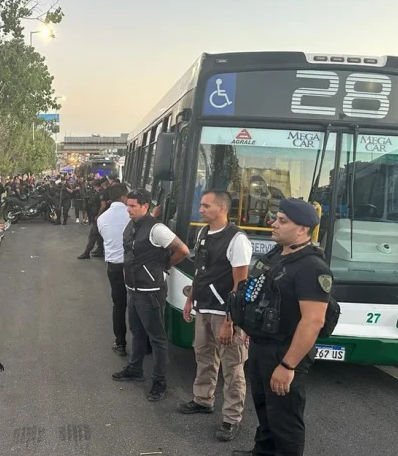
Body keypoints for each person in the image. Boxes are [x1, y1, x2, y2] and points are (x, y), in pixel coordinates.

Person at [230, 198, 332, 456]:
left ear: (303, 229)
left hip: (285, 351)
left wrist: (288, 366)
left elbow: (313, 320)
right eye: (276, 218)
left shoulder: (311, 267)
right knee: (265, 410)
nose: (273, 224)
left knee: (285, 420)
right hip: (262, 346)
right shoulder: (278, 254)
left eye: (282, 221)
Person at [178, 190, 252, 442]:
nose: (200, 209)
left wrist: (230, 322)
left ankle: (232, 419)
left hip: (225, 313)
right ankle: (203, 400)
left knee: (233, 366)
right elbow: (200, 270)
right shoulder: (203, 233)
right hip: (204, 307)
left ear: (221, 208)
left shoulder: (237, 240)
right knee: (204, 357)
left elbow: (239, 285)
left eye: (205, 205)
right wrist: (190, 300)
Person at [112, 189, 190, 401]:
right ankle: (135, 369)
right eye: (127, 205)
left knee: (157, 338)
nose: (128, 209)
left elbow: (183, 250)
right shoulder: (134, 224)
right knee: (137, 332)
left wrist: (164, 266)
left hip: (150, 292)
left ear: (145, 206)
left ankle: (159, 381)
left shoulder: (157, 229)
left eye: (133, 206)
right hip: (133, 289)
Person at [97, 183, 131, 355]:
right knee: (138, 304)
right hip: (133, 266)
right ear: (125, 197)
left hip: (114, 267)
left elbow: (105, 238)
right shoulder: (132, 214)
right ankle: (145, 345)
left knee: (119, 305)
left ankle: (120, 343)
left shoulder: (102, 218)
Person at [77, 179, 106, 259]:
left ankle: (87, 253)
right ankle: (100, 250)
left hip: (99, 217)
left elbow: (103, 205)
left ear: (94, 186)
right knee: (99, 236)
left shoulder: (101, 193)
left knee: (92, 236)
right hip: (100, 217)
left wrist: (98, 215)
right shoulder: (102, 192)